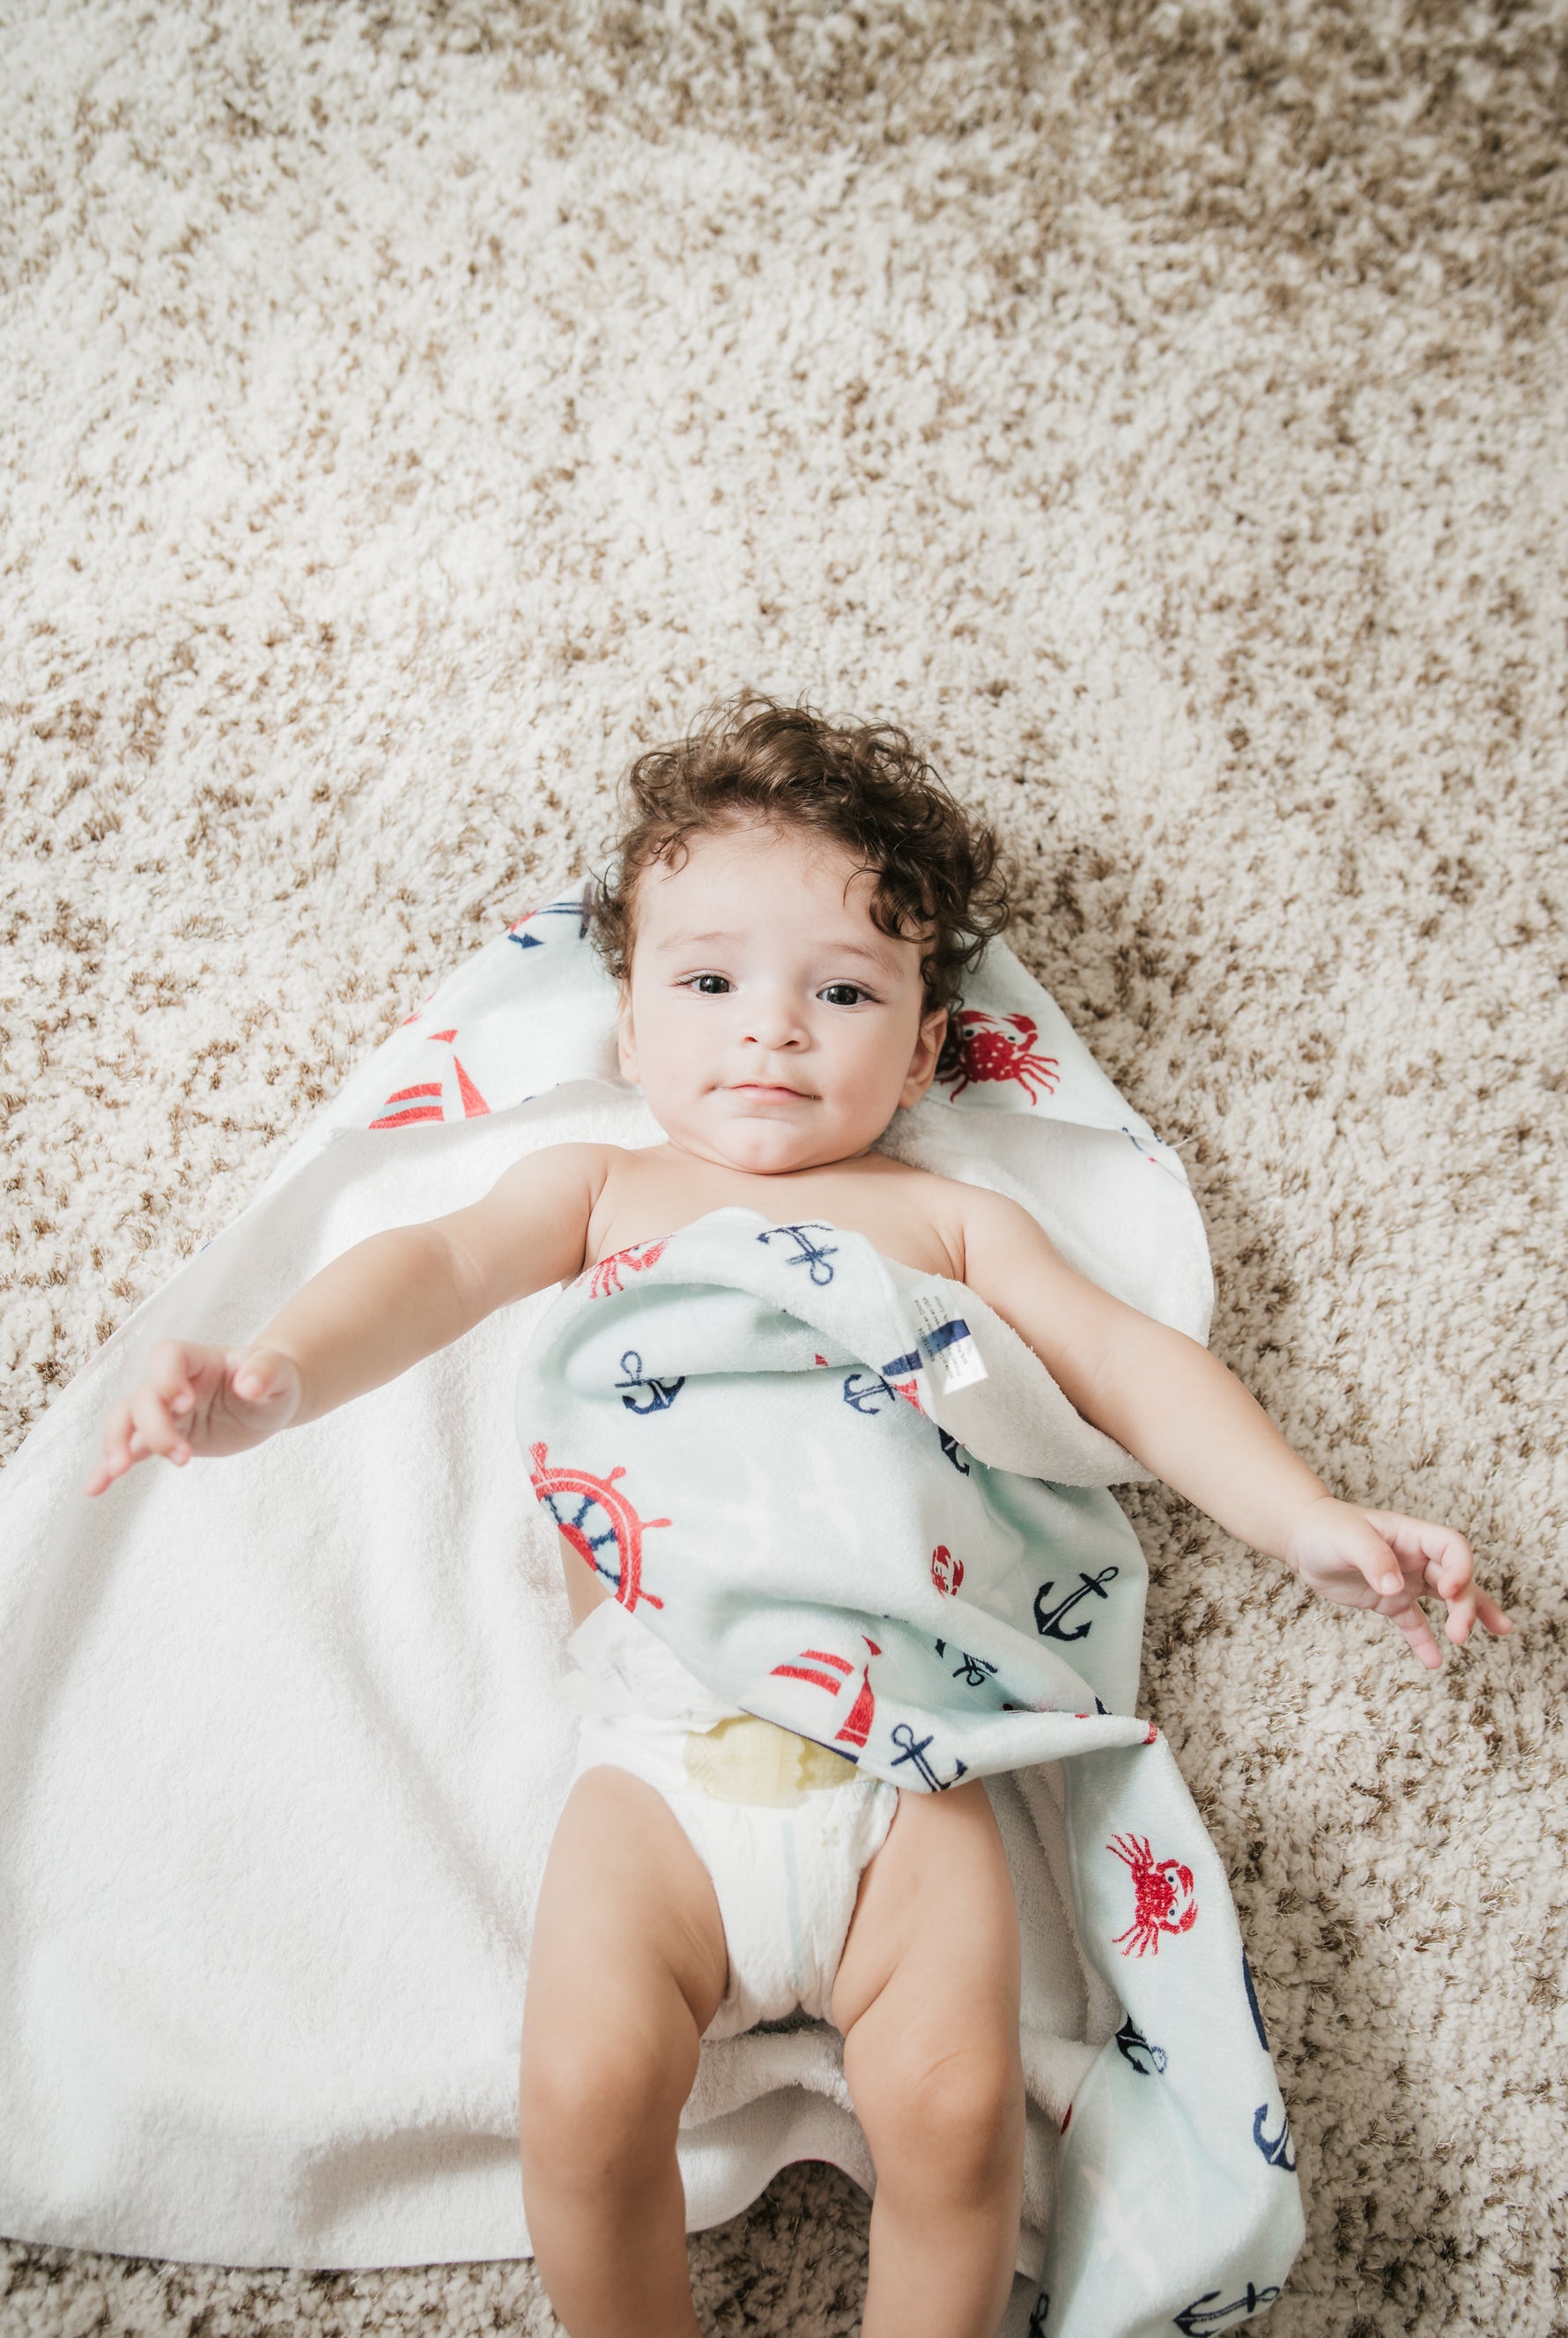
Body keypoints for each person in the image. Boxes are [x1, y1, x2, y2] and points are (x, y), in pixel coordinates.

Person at [85, 696, 1511, 2338]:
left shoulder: (946, 1221)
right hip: (662, 1760)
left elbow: (1131, 1368)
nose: (769, 1031)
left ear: (920, 1050)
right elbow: (431, 1266)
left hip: (909, 1771)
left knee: (959, 2123)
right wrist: (272, 1376)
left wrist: (1302, 1513)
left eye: (838, 991)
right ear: (627, 1026)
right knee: (581, 2096)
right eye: (707, 983)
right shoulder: (606, 1190)